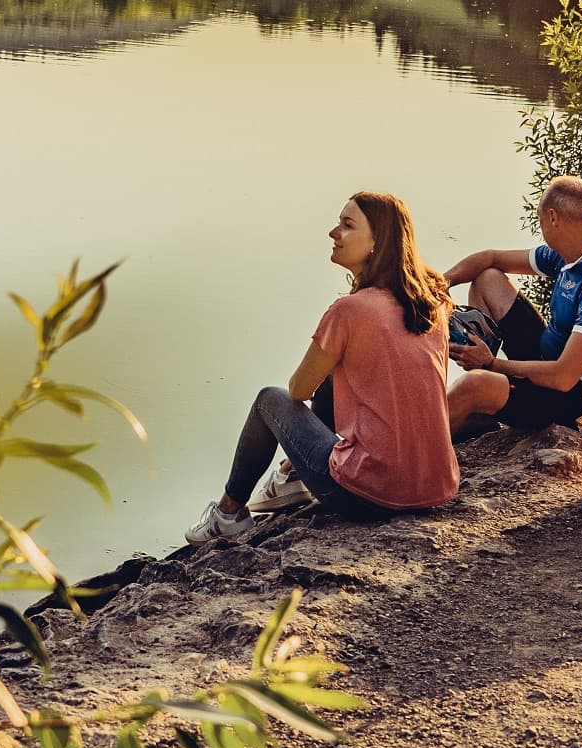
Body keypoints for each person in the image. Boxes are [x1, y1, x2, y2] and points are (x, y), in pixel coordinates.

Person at [187, 191, 461, 545]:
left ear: (378, 243)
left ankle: (228, 514)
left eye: (347, 225)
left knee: (269, 399)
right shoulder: (432, 304)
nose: (334, 232)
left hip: (368, 496)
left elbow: (298, 390)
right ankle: (291, 475)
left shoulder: (350, 310)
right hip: (435, 487)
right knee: (339, 373)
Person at [443, 175, 582, 438]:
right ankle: (483, 412)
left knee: (474, 384)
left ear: (553, 217)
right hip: (547, 362)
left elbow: (563, 377)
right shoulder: (569, 254)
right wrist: (440, 284)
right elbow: (490, 258)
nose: (540, 227)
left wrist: (492, 364)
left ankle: (414, 448)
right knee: (488, 279)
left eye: (540, 219)